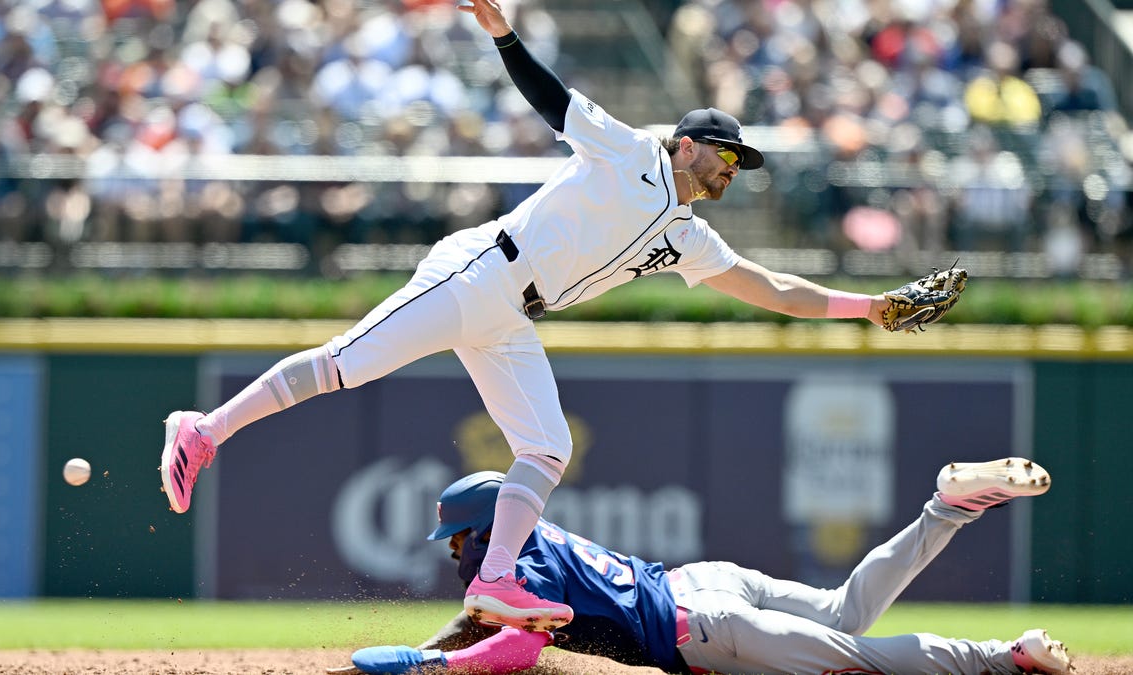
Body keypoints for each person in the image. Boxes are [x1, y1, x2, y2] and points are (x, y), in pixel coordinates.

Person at [160, 0, 902, 632]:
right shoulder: (633, 153)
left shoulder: (689, 236)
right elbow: (556, 103)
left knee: (546, 450)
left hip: (512, 315)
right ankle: (204, 427)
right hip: (480, 269)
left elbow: (770, 286)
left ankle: (496, 580)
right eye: (724, 154)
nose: (731, 168)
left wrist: (869, 308)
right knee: (342, 365)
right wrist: (503, 36)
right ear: (686, 143)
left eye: (738, 162)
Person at [345, 458, 1073, 675]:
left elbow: (513, 642)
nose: (454, 552)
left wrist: (429, 668)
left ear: (475, 532)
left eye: (456, 539)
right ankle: (945, 508)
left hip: (707, 629)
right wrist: (431, 646)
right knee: (847, 609)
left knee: (861, 659)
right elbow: (482, 618)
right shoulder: (526, 541)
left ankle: (1007, 658)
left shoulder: (509, 573)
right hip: (704, 582)